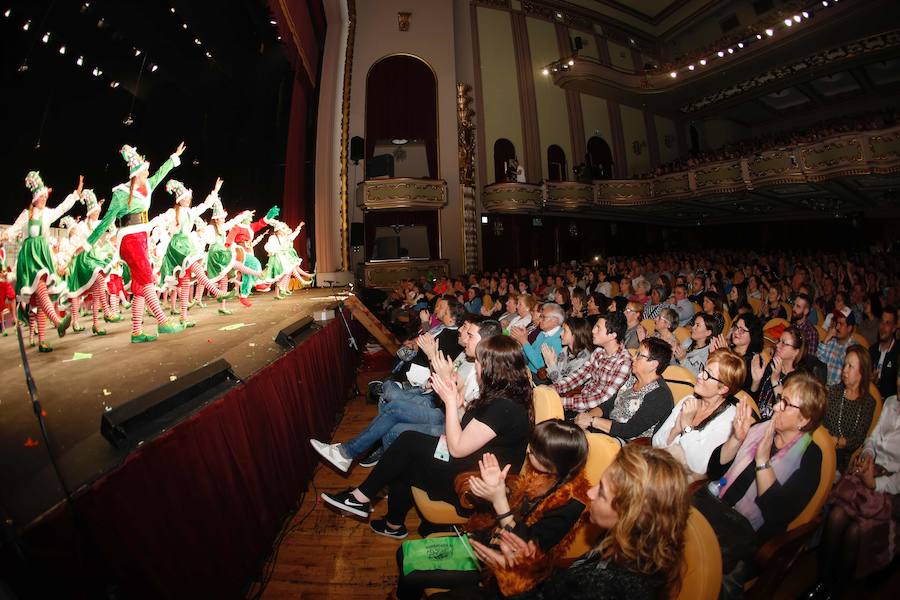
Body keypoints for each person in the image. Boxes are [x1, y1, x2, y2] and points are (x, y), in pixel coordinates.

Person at [321, 335, 533, 538]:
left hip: (475, 485)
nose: (475, 365)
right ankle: (385, 518)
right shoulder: (503, 395)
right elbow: (468, 427)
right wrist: (458, 403)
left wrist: (451, 403)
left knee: (406, 448)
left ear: (490, 368)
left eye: (478, 361)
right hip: (476, 465)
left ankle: (366, 503)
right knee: (406, 447)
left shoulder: (504, 407)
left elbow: (457, 448)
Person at [461, 445, 689, 600]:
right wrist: (534, 567)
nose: (590, 493)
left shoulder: (613, 587)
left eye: (602, 494)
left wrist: (516, 581)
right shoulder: (626, 544)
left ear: (631, 514)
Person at [396, 420, 590, 599]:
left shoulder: (571, 503)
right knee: (404, 554)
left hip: (508, 570)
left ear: (554, 463)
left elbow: (525, 548)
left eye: (535, 452)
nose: (528, 452)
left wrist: (499, 501)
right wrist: (499, 488)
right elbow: (516, 503)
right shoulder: (542, 474)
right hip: (487, 541)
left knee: (412, 573)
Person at [696, 372, 826, 598]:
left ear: (804, 419)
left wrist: (763, 461)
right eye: (779, 400)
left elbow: (778, 514)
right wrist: (736, 439)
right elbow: (715, 470)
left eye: (785, 404)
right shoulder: (762, 428)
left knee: (693, 556)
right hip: (716, 507)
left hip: (748, 538)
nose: (776, 408)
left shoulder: (810, 458)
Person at [311, 318, 503, 471]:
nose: (464, 335)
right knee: (391, 401)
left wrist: (433, 358)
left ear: (486, 342)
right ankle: (350, 453)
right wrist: (439, 370)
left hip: (451, 422)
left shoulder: (486, 370)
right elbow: (452, 384)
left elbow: (462, 408)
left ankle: (381, 471)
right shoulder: (469, 357)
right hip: (442, 408)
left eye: (470, 334)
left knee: (394, 422)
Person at [86, 143, 187, 343]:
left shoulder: (148, 185)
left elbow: (161, 172)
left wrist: (174, 157)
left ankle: (136, 332)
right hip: (129, 239)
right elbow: (106, 221)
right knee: (147, 278)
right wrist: (88, 244)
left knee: (140, 287)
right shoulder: (121, 193)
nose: (148, 172)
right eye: (145, 170)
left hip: (141, 237)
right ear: (138, 173)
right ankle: (162, 321)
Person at [814, 369, 900, 599]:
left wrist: (874, 483)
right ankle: (822, 580)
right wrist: (868, 455)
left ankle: (837, 590)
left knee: (854, 532)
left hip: (890, 485)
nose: (899, 383)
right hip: (870, 469)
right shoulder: (891, 402)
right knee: (836, 515)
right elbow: (872, 438)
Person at [0, 172, 81, 351]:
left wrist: (75, 195)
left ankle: (42, 340)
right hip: (29, 258)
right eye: (41, 196)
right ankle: (58, 322)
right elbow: (13, 230)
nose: (44, 199)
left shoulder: (47, 214)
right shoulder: (26, 215)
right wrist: (5, 235)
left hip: (43, 256)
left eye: (45, 196)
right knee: (41, 289)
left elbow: (62, 208)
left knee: (40, 298)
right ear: (35, 198)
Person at [652, 349, 746, 479]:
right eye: (703, 369)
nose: (700, 375)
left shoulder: (729, 419)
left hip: (681, 483)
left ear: (723, 388)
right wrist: (675, 430)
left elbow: (699, 466)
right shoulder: (689, 400)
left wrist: (686, 426)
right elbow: (656, 442)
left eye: (708, 374)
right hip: (660, 466)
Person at [158, 178, 235, 327]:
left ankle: (184, 317)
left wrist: (216, 191)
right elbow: (162, 222)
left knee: (186, 281)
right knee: (196, 267)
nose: (188, 200)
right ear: (180, 199)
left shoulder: (191, 212)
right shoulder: (172, 212)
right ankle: (216, 291)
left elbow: (205, 205)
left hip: (186, 244)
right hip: (178, 245)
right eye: (185, 198)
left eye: (189, 198)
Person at [577, 337, 675, 442]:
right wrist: (587, 417)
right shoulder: (632, 380)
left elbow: (630, 430)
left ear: (653, 364)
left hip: (631, 446)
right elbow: (609, 405)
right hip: (607, 430)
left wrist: (593, 421)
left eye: (639, 356)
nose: (633, 358)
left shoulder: (660, 395)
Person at [553, 312, 632, 417]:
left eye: (598, 328)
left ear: (612, 335)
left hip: (596, 412)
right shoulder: (599, 352)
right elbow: (580, 375)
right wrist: (556, 387)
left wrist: (563, 402)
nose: (593, 331)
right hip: (583, 401)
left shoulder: (623, 362)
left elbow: (603, 398)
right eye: (595, 326)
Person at [750, 326, 826, 420]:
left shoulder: (799, 380)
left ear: (796, 352)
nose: (777, 345)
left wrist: (775, 380)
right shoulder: (773, 364)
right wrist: (756, 382)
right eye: (779, 341)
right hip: (757, 418)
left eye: (784, 343)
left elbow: (784, 413)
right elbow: (755, 399)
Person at [823, 345, 876, 473]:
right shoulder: (834, 391)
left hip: (841, 457)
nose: (844, 370)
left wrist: (839, 442)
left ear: (862, 372)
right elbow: (821, 421)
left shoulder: (868, 403)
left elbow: (858, 438)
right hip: (822, 445)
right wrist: (826, 439)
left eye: (850, 366)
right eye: (844, 365)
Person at [711, 313, 762, 392]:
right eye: (736, 327)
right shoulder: (729, 347)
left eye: (742, 330)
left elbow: (735, 388)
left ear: (752, 335)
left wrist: (724, 357)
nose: (736, 332)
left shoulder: (752, 361)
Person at [511, 303, 565, 375]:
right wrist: (520, 341)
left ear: (554, 321)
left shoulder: (559, 339)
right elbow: (529, 353)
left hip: (540, 377)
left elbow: (541, 366)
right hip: (529, 369)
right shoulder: (543, 333)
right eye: (540, 316)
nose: (540, 320)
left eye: (543, 317)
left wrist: (524, 341)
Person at [540, 317, 593, 384]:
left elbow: (562, 385)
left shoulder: (584, 358)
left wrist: (551, 363)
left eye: (565, 330)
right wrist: (552, 361)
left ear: (575, 334)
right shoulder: (564, 351)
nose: (561, 333)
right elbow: (556, 375)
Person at [818, 306, 857, 386]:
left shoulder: (853, 350)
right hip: (820, 386)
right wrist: (826, 339)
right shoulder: (830, 341)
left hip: (836, 392)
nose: (837, 327)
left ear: (849, 328)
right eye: (837, 323)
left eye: (841, 324)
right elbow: (817, 363)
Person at [672, 312, 717, 378]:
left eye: (697, 325)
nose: (693, 328)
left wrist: (683, 360)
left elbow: (700, 377)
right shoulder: (689, 341)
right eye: (694, 324)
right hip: (674, 375)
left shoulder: (709, 353)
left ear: (707, 332)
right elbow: (674, 363)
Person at [870, 305, 898, 399]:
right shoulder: (872, 350)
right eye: (882, 322)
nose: (883, 327)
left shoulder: (898, 353)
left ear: (894, 328)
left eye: (888, 323)